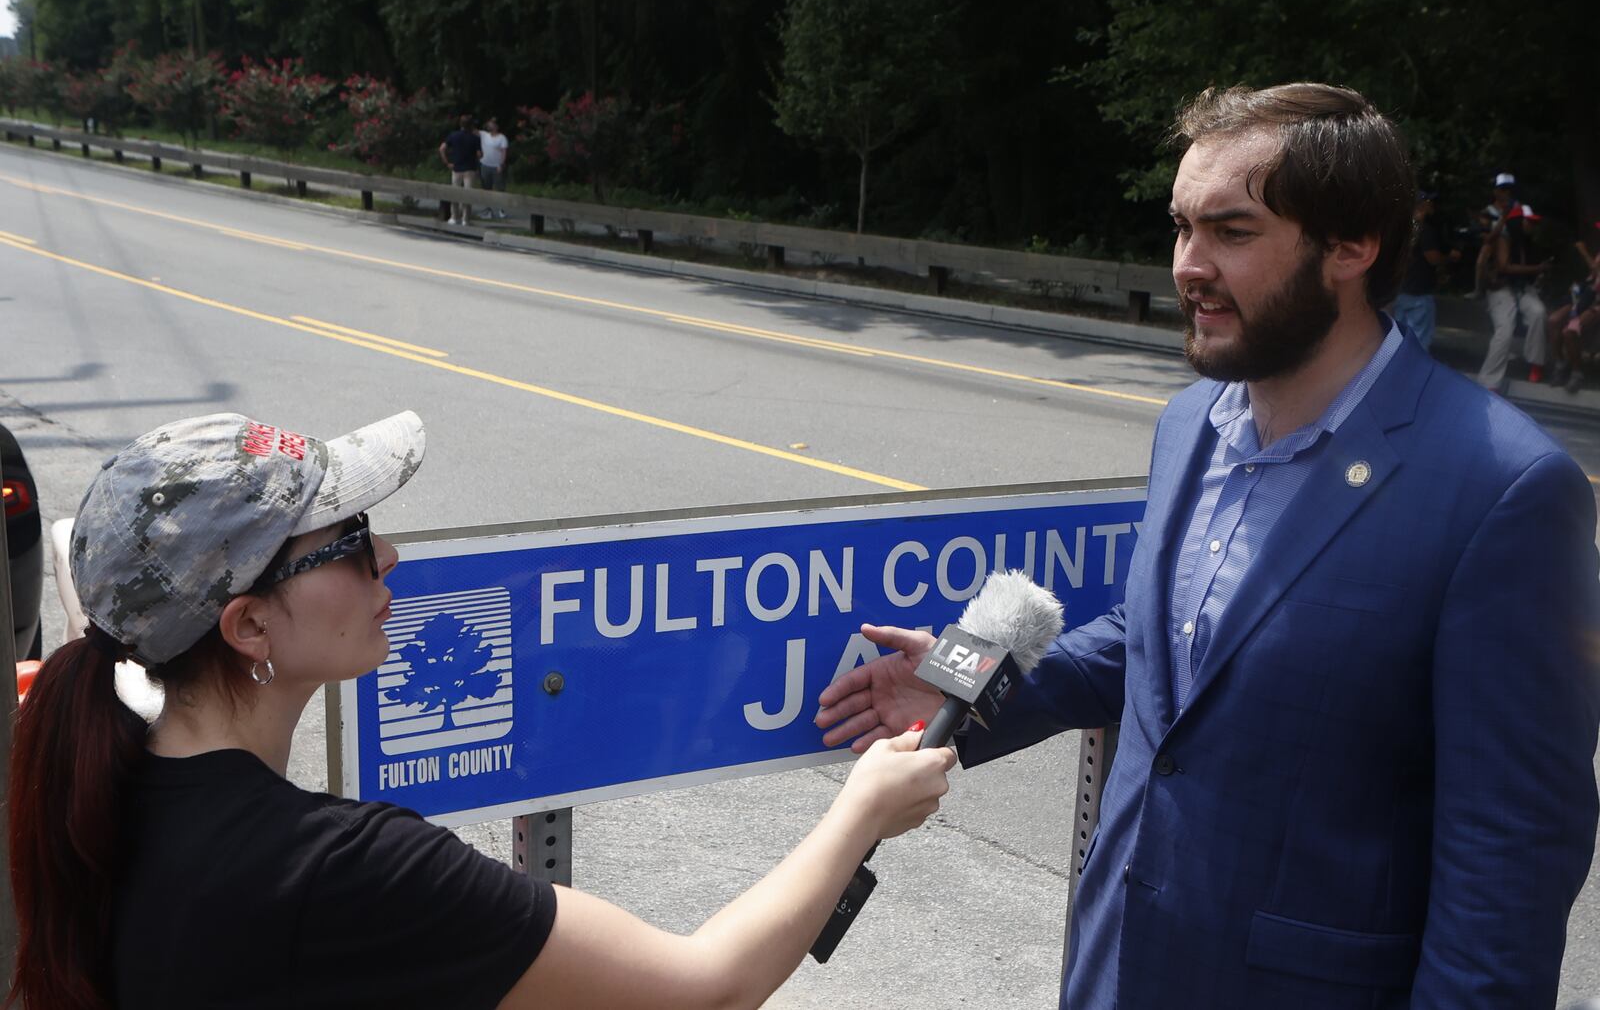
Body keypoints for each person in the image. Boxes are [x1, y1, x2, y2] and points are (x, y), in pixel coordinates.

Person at [816, 83, 1600, 1009]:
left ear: (1352, 245)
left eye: (1231, 232)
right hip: (1117, 964)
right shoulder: (1192, 421)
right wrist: (959, 679)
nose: (1188, 264)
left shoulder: (1503, 489)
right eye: (1182, 227)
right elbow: (1154, 644)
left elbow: (1506, 861)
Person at [7, 411, 955, 1010]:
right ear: (249, 624)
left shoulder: (103, 792)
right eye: (349, 543)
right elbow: (703, 988)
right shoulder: (346, 871)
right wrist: (861, 810)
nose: (390, 562)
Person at [1476, 174, 1551, 388]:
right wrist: (1537, 268)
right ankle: (1489, 383)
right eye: (1529, 222)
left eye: (1533, 222)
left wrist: (1540, 274)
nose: (1531, 226)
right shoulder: (1501, 230)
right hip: (1499, 286)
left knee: (1538, 313)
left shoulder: (1529, 242)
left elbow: (1535, 272)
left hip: (1521, 288)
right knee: (1505, 330)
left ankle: (1536, 363)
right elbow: (1503, 266)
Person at [1388, 189, 1457, 352]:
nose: (1432, 205)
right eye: (1428, 202)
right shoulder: (1424, 230)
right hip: (1418, 294)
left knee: (1399, 340)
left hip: (1400, 290)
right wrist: (1449, 258)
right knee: (1419, 343)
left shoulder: (1400, 229)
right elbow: (1432, 258)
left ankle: (1399, 375)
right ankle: (1412, 376)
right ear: (1421, 205)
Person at [1549, 234, 1600, 393]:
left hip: (1597, 302)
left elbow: (1595, 270)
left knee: (1570, 331)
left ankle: (1577, 373)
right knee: (1553, 320)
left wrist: (1583, 251)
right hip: (1586, 296)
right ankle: (1560, 364)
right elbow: (1591, 279)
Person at [438, 114, 482, 226]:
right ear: (471, 125)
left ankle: (454, 217)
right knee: (468, 194)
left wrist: (447, 162)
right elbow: (480, 154)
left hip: (456, 167)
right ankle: (465, 219)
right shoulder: (475, 138)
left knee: (455, 193)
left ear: (460, 124)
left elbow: (442, 148)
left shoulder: (453, 135)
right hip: (470, 168)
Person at [479, 117, 511, 219]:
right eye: (489, 124)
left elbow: (504, 152)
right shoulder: (484, 135)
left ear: (497, 126)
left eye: (492, 124)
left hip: (496, 166)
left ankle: (502, 210)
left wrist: (501, 164)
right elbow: (473, 131)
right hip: (485, 164)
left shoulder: (502, 138)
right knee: (486, 188)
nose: (490, 126)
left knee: (500, 188)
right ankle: (488, 210)